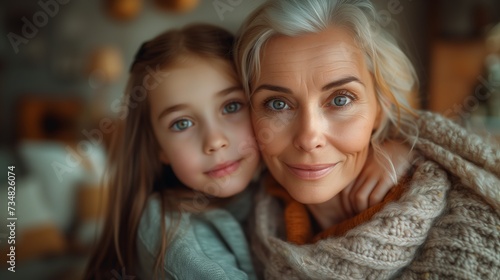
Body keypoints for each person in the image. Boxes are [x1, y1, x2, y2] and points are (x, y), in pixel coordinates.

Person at [235, 0, 500, 279]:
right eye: (277, 104)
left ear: (379, 108)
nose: (309, 137)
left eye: (340, 99)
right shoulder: (244, 217)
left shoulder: (474, 232)